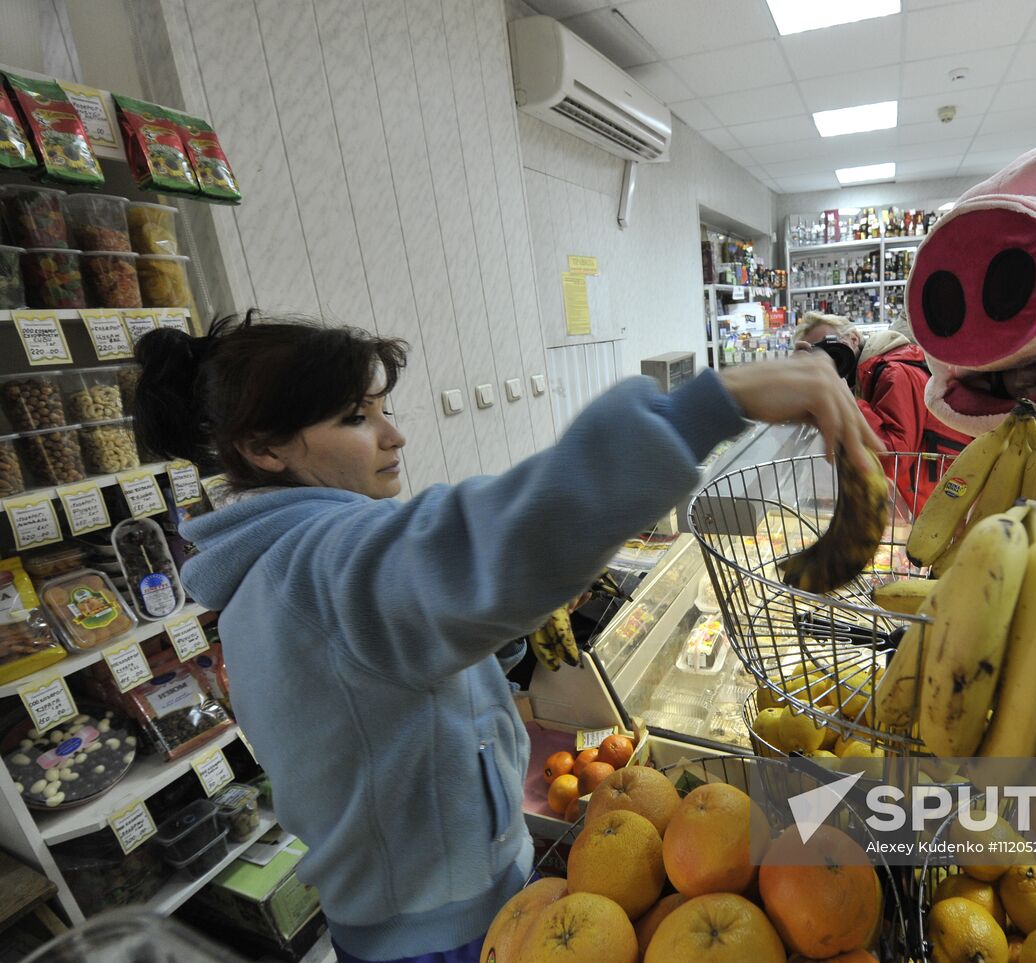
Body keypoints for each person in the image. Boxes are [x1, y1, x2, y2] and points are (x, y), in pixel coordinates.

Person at [133, 311, 880, 963]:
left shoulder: (269, 576)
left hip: (402, 911)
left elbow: (384, 700)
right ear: (266, 447)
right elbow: (501, 535)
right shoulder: (323, 564)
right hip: (438, 931)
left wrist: (500, 646)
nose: (393, 434)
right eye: (358, 418)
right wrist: (711, 405)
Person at [795, 311, 970, 512]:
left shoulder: (894, 371)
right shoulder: (873, 371)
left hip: (948, 501)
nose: (827, 360)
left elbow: (894, 459)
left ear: (853, 338)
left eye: (830, 345)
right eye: (816, 354)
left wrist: (842, 395)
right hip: (937, 496)